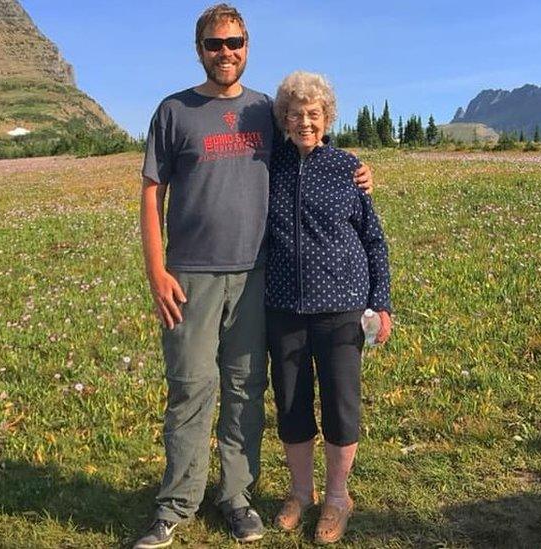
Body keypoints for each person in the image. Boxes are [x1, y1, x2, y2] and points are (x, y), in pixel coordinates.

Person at [134, 6, 372, 548]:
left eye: (234, 42)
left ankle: (237, 497)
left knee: (246, 389)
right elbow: (152, 192)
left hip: (255, 277)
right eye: (215, 44)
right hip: (189, 276)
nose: (226, 52)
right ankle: (176, 504)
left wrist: (355, 168)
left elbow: (307, 141)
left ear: (247, 46)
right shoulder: (174, 111)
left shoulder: (265, 110)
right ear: (199, 48)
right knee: (191, 388)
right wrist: (156, 271)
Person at [265, 71, 393, 545]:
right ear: (283, 118)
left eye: (313, 114)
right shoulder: (269, 165)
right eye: (295, 114)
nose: (304, 122)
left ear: (327, 118)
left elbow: (374, 240)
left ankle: (338, 497)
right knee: (292, 403)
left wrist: (381, 303)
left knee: (342, 404)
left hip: (341, 308)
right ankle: (301, 492)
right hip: (283, 307)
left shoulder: (346, 167)